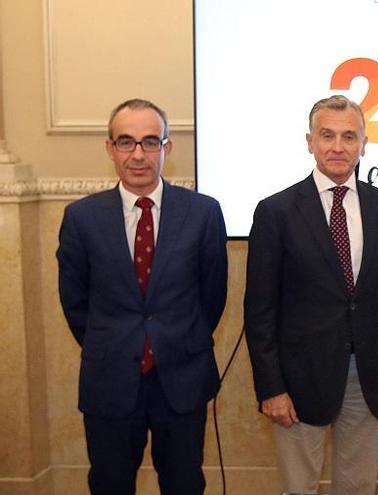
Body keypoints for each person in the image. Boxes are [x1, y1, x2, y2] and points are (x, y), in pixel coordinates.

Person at [56, 98, 228, 494]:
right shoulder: (81, 218)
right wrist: (117, 342)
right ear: (110, 148)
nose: (138, 154)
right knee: (110, 485)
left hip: (182, 379)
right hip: (110, 380)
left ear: (167, 148)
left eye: (150, 142)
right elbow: (75, 302)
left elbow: (212, 295)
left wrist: (177, 340)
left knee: (184, 485)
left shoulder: (203, 213)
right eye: (126, 142)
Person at [244, 95, 378, 495]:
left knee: (358, 487)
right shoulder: (276, 211)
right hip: (298, 378)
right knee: (300, 488)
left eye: (349, 137)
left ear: (364, 144)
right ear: (310, 142)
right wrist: (271, 388)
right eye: (327, 136)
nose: (338, 147)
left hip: (368, 375)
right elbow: (260, 310)